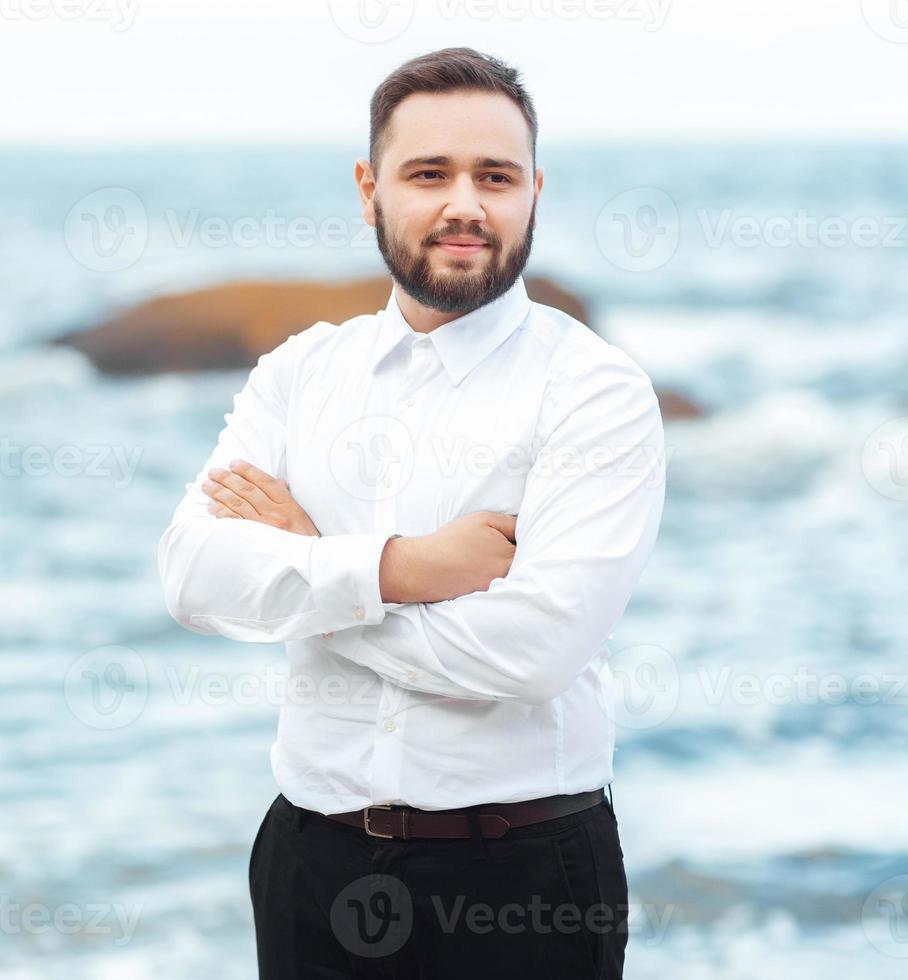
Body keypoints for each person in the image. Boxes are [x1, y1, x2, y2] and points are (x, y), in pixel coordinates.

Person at [156, 47, 666, 979]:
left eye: (495, 177)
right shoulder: (299, 372)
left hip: (525, 879)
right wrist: (401, 570)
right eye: (428, 173)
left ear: (534, 192)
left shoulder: (595, 390)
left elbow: (531, 655)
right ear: (369, 188)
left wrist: (311, 565)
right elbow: (191, 574)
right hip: (310, 862)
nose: (463, 204)